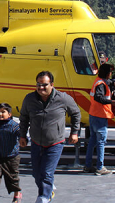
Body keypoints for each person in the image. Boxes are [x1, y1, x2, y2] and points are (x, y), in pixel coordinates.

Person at [19, 71, 81, 203]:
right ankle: (49, 189)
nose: (41, 88)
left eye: (44, 85)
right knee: (36, 174)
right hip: (36, 142)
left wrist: (74, 132)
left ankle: (44, 197)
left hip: (55, 143)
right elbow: (24, 117)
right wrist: (22, 136)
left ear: (52, 84)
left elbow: (76, 113)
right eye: (38, 84)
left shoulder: (63, 98)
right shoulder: (29, 99)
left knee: (47, 173)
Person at [84, 63, 115, 175]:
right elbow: (99, 97)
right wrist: (112, 102)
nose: (111, 74)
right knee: (101, 142)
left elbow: (110, 82)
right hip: (100, 116)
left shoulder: (99, 81)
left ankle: (88, 165)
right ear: (107, 73)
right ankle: (100, 167)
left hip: (93, 115)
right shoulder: (101, 84)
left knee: (92, 141)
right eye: (110, 72)